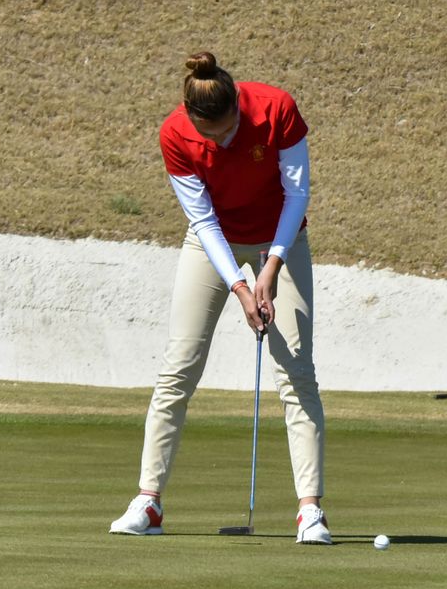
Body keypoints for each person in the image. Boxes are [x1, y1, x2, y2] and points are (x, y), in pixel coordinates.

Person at [109, 51, 331, 545]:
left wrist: (269, 271)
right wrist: (238, 286)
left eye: (229, 131)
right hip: (213, 242)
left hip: (283, 237)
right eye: (211, 136)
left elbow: (296, 196)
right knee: (179, 365)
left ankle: (310, 511)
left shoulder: (277, 110)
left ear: (239, 108)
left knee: (296, 370)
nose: (222, 142)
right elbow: (203, 220)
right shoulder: (175, 135)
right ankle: (148, 501)